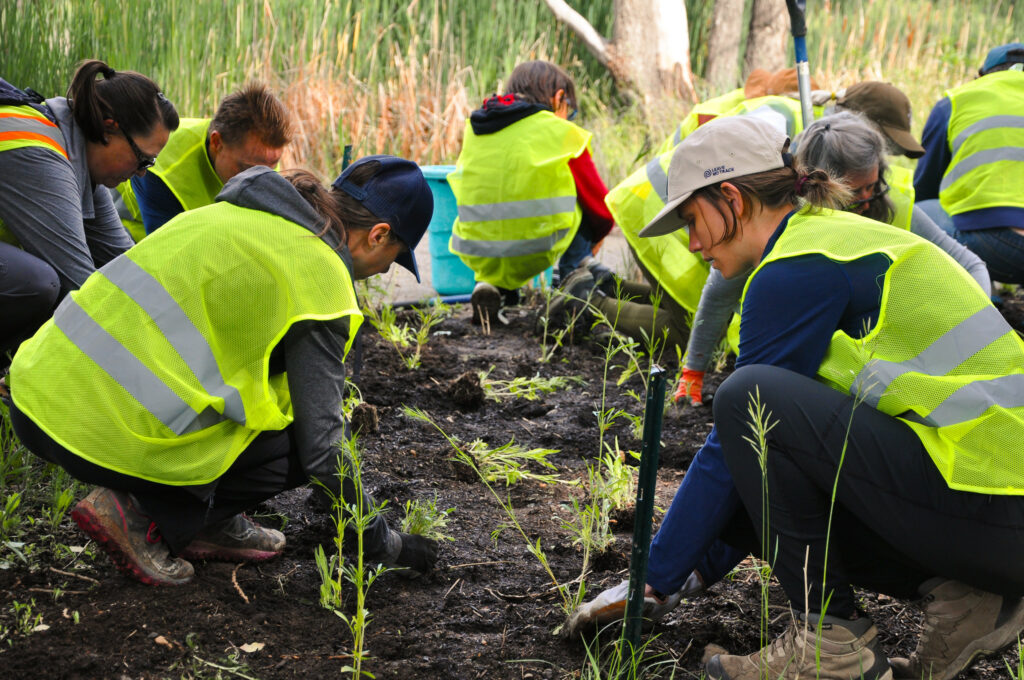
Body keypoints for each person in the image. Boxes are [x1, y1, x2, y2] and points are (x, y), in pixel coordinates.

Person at [568, 116, 1024, 680]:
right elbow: (757, 476)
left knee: (745, 399)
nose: (692, 244)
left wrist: (652, 579)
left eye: (692, 220)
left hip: (998, 504)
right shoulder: (827, 239)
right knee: (755, 471)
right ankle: (969, 597)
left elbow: (740, 430)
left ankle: (832, 643)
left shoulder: (797, 268)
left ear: (730, 196)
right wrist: (683, 578)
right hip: (992, 511)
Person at [6, 155, 439, 586]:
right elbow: (323, 450)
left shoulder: (236, 212)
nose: (382, 272)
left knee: (269, 407)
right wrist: (386, 545)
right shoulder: (321, 277)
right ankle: (142, 516)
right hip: (98, 435)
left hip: (36, 396)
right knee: (297, 444)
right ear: (378, 234)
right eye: (392, 260)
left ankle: (206, 523)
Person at [675, 85, 943, 407]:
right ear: (825, 184)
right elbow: (719, 296)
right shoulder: (780, 241)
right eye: (857, 193)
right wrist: (693, 371)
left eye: (874, 186)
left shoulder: (892, 208)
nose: (869, 203)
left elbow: (969, 266)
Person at [0, 59, 178, 365]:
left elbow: (127, 266)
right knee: (36, 283)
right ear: (110, 129)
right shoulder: (41, 155)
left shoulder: (74, 146)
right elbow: (81, 289)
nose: (142, 175)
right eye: (143, 160)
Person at [447, 60, 615, 326]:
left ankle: (489, 287)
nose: (567, 116)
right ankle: (575, 279)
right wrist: (598, 235)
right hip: (538, 243)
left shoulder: (476, 128)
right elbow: (600, 204)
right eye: (568, 108)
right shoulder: (561, 132)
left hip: (477, 246)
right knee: (580, 198)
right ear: (559, 97)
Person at [113, 82, 291, 239]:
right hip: (126, 238)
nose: (262, 180)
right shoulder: (163, 168)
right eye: (247, 168)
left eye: (273, 165)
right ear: (217, 142)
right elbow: (167, 253)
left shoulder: (260, 157)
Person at [914, 42, 1024, 285]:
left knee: (916, 214)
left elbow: (925, 186)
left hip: (999, 246)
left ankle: (971, 299)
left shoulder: (957, 101)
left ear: (982, 76)